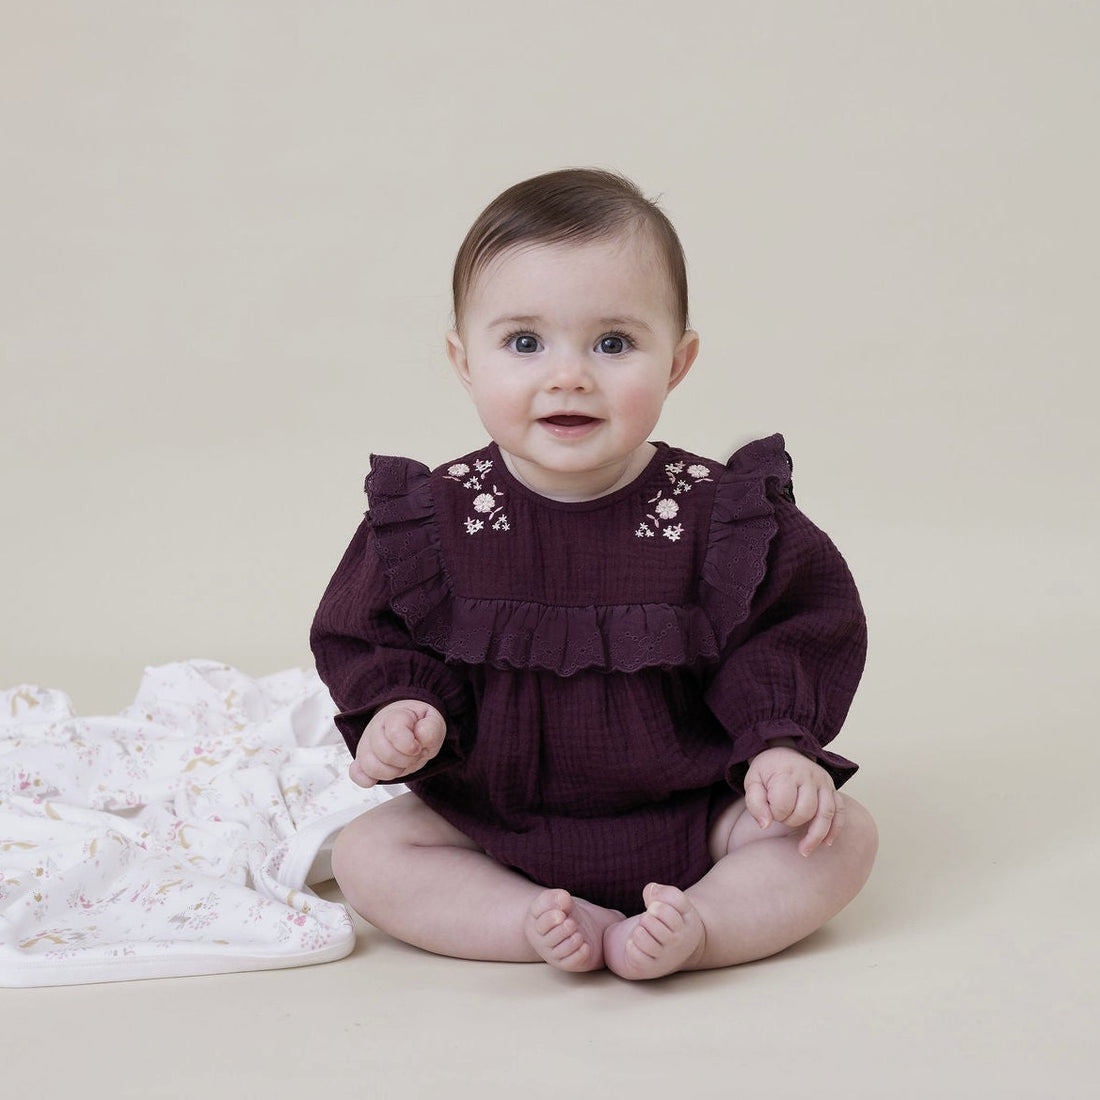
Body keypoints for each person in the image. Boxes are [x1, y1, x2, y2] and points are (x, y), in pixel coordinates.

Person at [310, 168, 878, 980]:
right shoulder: (431, 519)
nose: (568, 374)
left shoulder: (723, 515)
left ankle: (703, 925)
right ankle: (528, 921)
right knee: (368, 852)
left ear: (677, 362)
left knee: (841, 835)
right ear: (462, 360)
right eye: (523, 343)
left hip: (699, 809)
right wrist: (405, 705)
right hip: (493, 818)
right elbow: (365, 631)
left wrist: (777, 744)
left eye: (613, 343)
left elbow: (797, 625)